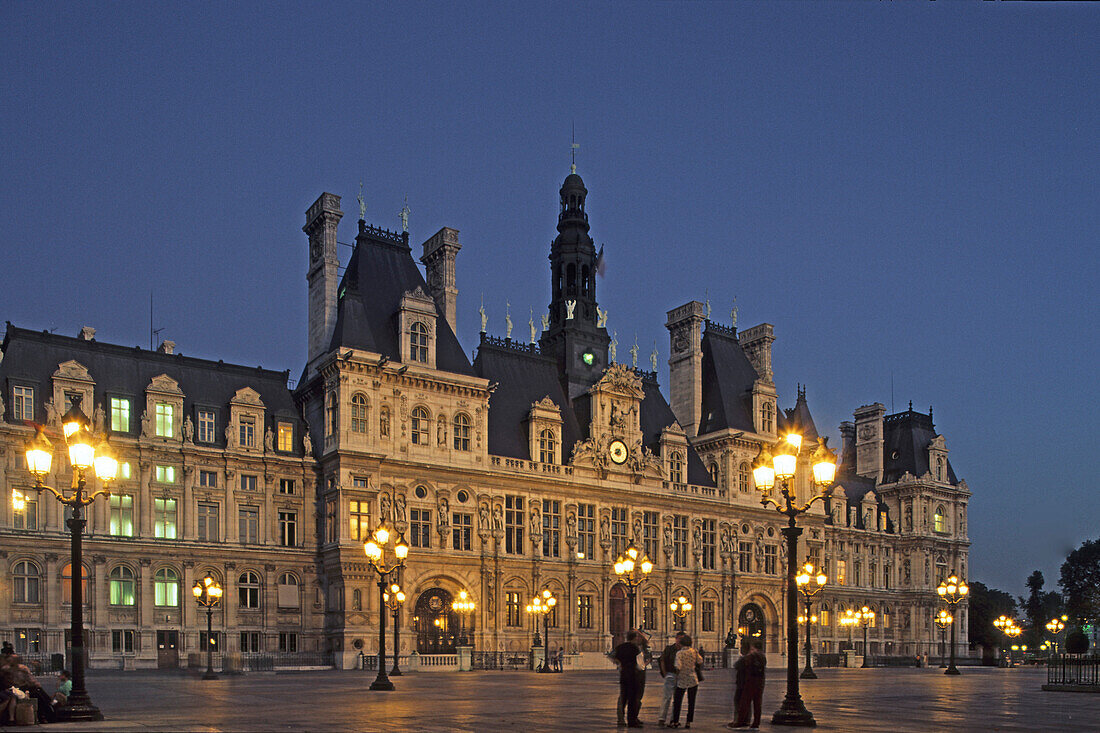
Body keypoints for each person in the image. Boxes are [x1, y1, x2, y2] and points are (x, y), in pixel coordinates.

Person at [668, 634, 704, 729]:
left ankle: (675, 721)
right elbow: (700, 661)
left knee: (677, 701)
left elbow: (678, 666)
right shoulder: (694, 651)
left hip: (682, 679)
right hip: (693, 678)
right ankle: (688, 722)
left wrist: (677, 675)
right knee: (691, 702)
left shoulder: (679, 653)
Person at [613, 630, 644, 728]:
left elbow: (612, 656)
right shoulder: (635, 648)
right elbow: (640, 665)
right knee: (632, 699)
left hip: (624, 675)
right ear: (635, 638)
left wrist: (620, 664)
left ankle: (620, 719)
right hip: (633, 675)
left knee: (623, 697)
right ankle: (632, 721)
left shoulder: (620, 647)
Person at [734, 641, 766, 729]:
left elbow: (738, 665)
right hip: (760, 682)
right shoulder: (763, 656)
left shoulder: (750, 656)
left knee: (745, 702)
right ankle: (756, 723)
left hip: (750, 681)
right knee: (757, 703)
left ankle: (740, 722)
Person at [657, 631, 685, 727]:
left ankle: (674, 718)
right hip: (670, 674)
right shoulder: (669, 649)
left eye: (682, 640)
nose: (680, 641)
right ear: (676, 639)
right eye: (679, 639)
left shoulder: (684, 651)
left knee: (677, 699)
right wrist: (664, 673)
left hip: (681, 676)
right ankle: (662, 718)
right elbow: (662, 660)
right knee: (667, 697)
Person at [727, 641, 750, 729]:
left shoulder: (745, 659)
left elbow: (736, 665)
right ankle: (746, 720)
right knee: (746, 703)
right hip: (747, 684)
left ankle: (738, 721)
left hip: (742, 684)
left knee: (738, 702)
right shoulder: (750, 658)